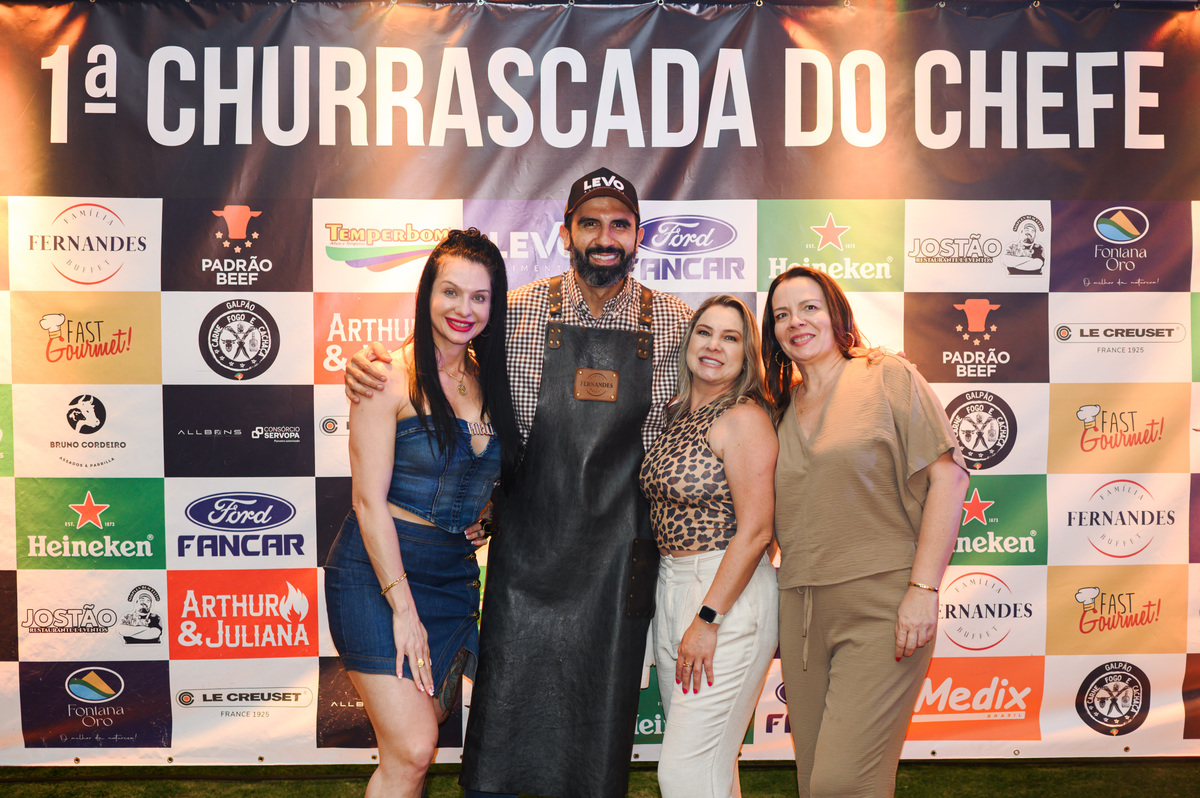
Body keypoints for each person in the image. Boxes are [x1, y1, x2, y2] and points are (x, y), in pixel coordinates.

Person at [343, 167, 693, 798]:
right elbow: (438, 365)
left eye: (620, 225)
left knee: (594, 731)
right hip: (525, 557)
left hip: (616, 561)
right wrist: (366, 366)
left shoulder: (677, 323)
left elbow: (726, 396)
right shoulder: (517, 313)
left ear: (639, 235)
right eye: (590, 224)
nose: (605, 237)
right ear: (565, 233)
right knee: (498, 731)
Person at [324, 229, 521, 798]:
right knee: (414, 748)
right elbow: (367, 502)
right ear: (427, 294)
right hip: (377, 573)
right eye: (451, 292)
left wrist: (488, 514)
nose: (464, 309)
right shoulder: (386, 375)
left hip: (453, 577)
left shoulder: (492, 380)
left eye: (479, 297)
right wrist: (403, 609)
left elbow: (499, 473)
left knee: (411, 746)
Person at [762, 266, 969, 798]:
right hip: (800, 611)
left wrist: (923, 590)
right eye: (782, 314)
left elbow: (949, 479)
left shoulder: (886, 375)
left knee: (841, 783)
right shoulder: (777, 409)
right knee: (814, 782)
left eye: (809, 307)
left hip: (884, 606)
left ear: (835, 313)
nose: (796, 322)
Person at [639, 295, 778, 798]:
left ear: (746, 356)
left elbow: (757, 531)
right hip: (672, 588)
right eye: (705, 332)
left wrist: (707, 619)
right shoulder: (677, 416)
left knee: (684, 776)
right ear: (688, 340)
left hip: (725, 596)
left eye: (730, 337)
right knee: (710, 772)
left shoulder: (743, 417)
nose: (714, 345)